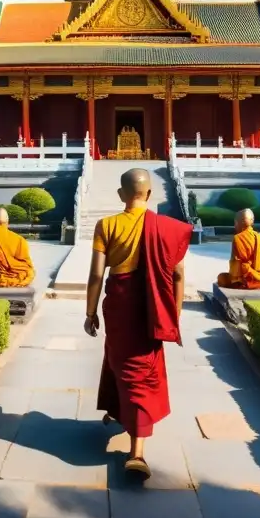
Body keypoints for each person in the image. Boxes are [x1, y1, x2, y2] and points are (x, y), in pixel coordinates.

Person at [84, 167, 192, 480]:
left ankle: (138, 454)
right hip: (152, 306)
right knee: (141, 368)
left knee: (123, 359)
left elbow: (95, 275)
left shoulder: (106, 225)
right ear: (149, 194)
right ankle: (126, 421)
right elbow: (179, 274)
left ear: (121, 194)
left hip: (119, 304)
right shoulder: (167, 228)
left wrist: (90, 312)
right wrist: (175, 312)